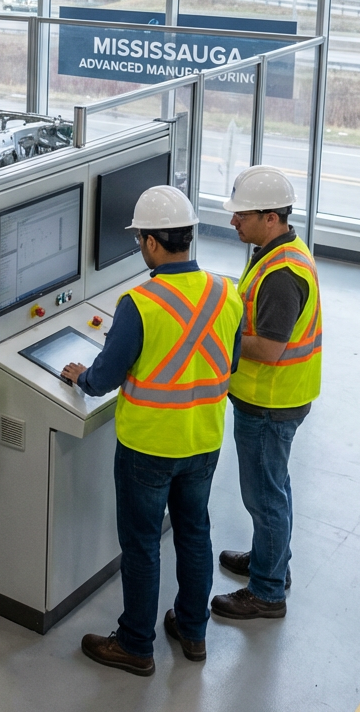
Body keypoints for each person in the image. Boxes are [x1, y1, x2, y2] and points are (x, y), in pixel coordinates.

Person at [62, 186, 242, 676]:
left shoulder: (139, 303)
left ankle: (136, 645)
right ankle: (193, 630)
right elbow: (233, 361)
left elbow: (103, 378)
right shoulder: (228, 293)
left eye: (141, 238)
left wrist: (81, 374)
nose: (141, 246)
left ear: (152, 244)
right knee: (194, 533)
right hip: (203, 440)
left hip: (148, 446)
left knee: (142, 545)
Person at [210, 166, 322, 621]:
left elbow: (270, 349)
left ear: (271, 217)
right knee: (275, 487)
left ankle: (267, 592)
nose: (233, 222)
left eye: (242, 215)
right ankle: (271, 562)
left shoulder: (281, 274)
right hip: (278, 398)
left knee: (264, 496)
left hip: (270, 401)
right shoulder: (279, 250)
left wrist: (219, 340)